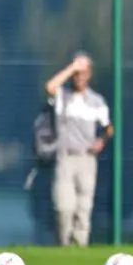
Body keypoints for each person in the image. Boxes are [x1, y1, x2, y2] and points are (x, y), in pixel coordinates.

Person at [44, 53, 113, 247]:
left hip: (87, 158)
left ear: (89, 74)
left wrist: (101, 140)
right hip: (65, 157)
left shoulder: (96, 101)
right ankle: (63, 245)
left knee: (83, 208)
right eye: (77, 73)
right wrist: (72, 67)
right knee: (63, 207)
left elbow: (108, 127)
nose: (79, 77)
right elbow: (50, 87)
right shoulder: (63, 97)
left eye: (83, 72)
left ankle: (79, 246)